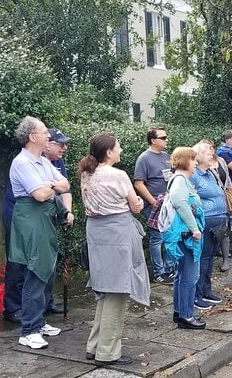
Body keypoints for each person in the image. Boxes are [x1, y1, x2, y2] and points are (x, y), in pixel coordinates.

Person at [79, 132, 150, 365]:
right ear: (108, 152)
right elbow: (136, 205)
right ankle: (107, 353)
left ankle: (95, 346)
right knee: (118, 290)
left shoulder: (86, 174)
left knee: (105, 289)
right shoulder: (118, 175)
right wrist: (139, 203)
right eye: (118, 147)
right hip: (117, 232)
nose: (120, 150)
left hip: (96, 232)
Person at [8, 117, 71, 349]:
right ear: (33, 137)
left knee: (48, 268)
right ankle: (28, 329)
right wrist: (50, 186)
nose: (49, 137)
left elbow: (64, 184)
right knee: (36, 270)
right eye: (45, 133)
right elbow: (40, 195)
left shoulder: (41, 162)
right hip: (32, 218)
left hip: (44, 218)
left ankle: (39, 321)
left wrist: (49, 185)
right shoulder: (22, 163)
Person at [166, 147, 206, 329]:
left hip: (183, 235)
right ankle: (187, 316)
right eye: (193, 159)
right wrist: (195, 228)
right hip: (187, 236)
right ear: (184, 161)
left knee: (181, 275)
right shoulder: (181, 180)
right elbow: (180, 202)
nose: (196, 163)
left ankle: (179, 311)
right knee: (190, 276)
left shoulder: (179, 179)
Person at [134, 126, 176, 284]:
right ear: (153, 140)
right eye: (163, 138)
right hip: (154, 204)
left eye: (166, 137)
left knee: (169, 235)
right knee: (157, 238)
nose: (166, 140)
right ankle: (159, 273)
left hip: (168, 203)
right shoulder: (144, 158)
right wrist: (153, 202)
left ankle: (169, 268)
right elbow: (139, 184)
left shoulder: (166, 156)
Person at [190, 141, 227, 310]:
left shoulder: (210, 173)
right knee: (202, 259)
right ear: (197, 157)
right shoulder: (194, 175)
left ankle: (206, 290)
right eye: (206, 153)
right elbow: (191, 199)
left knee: (210, 258)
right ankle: (196, 295)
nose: (210, 154)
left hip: (218, 222)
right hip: (205, 222)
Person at [202, 138, 232, 272]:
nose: (211, 150)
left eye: (212, 147)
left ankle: (226, 259)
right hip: (210, 206)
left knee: (224, 229)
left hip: (224, 198)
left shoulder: (220, 161)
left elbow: (227, 178)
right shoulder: (201, 166)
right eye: (208, 148)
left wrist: (231, 193)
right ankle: (210, 256)